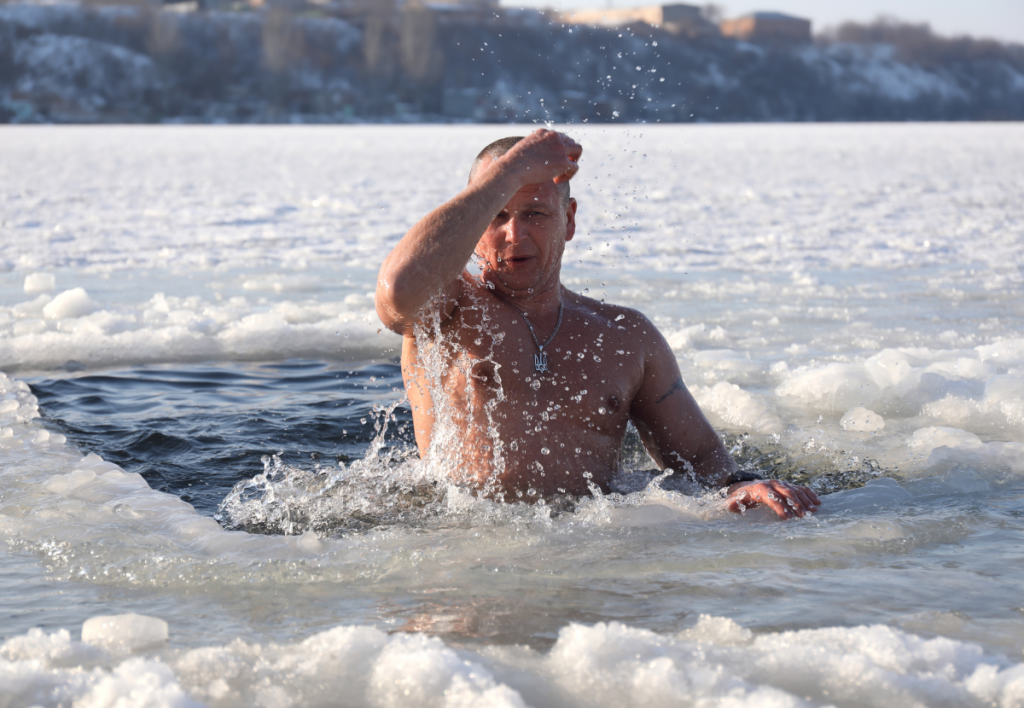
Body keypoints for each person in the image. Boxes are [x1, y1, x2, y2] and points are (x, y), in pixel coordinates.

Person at [375, 129, 820, 519]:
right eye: (497, 215)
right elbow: (396, 291)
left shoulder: (626, 337)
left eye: (535, 214)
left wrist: (741, 487)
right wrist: (506, 174)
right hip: (464, 540)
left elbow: (701, 460)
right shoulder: (446, 310)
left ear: (568, 220)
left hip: (589, 545)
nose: (515, 234)